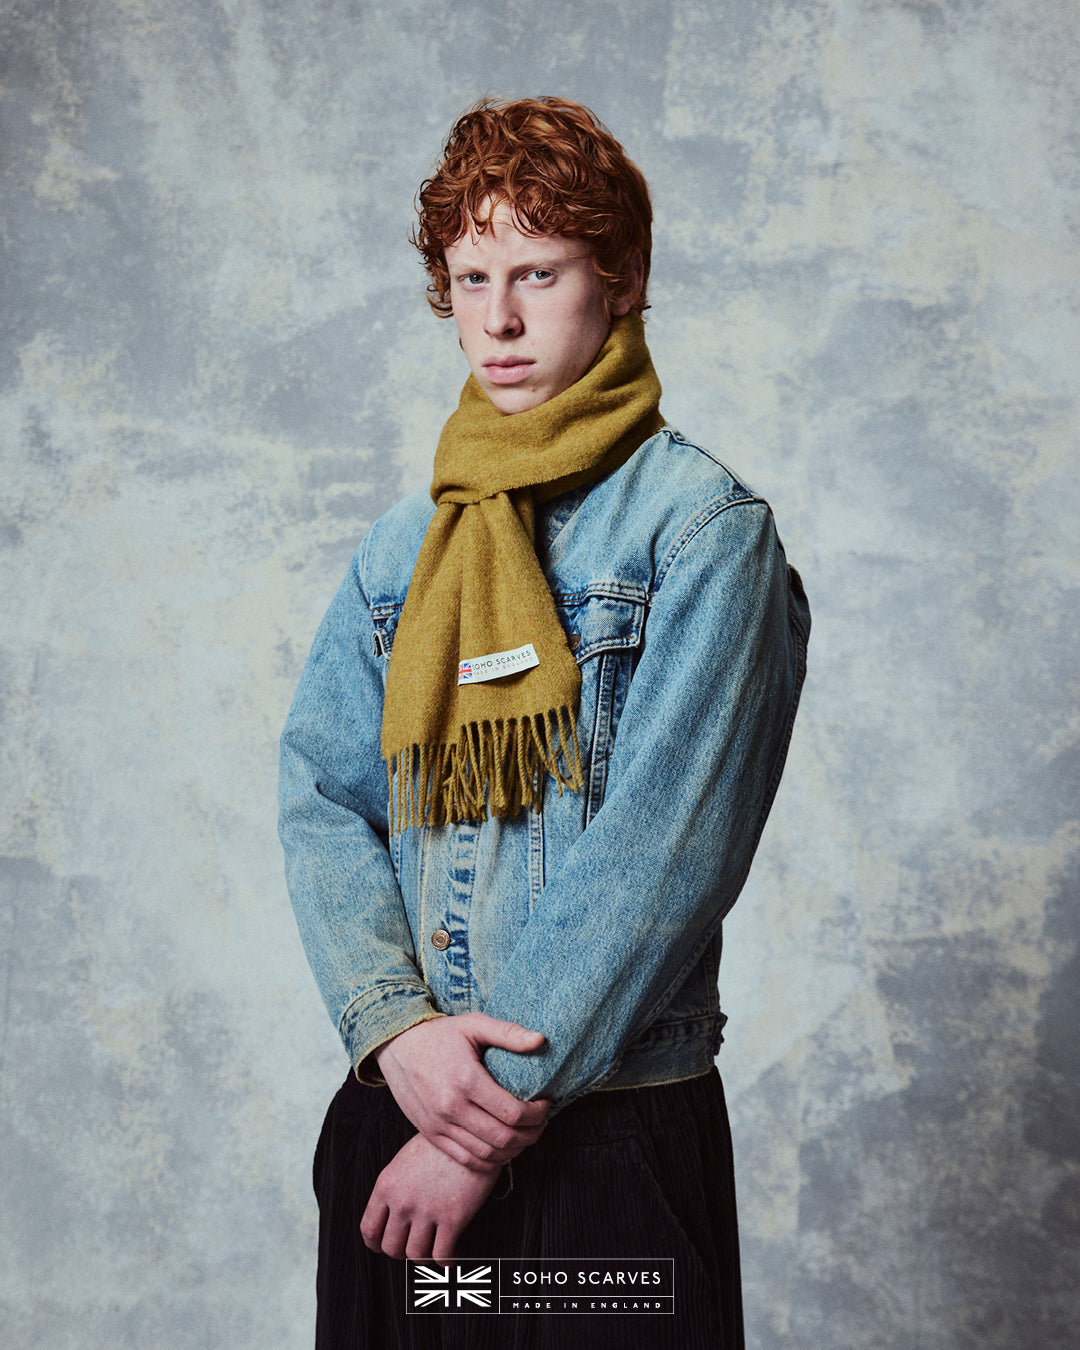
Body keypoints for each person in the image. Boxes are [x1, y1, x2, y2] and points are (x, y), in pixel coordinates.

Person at [278, 96, 809, 1349]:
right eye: (471, 277)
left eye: (538, 271)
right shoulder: (404, 548)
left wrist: (480, 1126)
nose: (498, 318)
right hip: (397, 1117)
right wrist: (396, 1034)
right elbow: (325, 796)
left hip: (603, 1143)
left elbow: (665, 854)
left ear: (620, 281)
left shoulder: (702, 534)